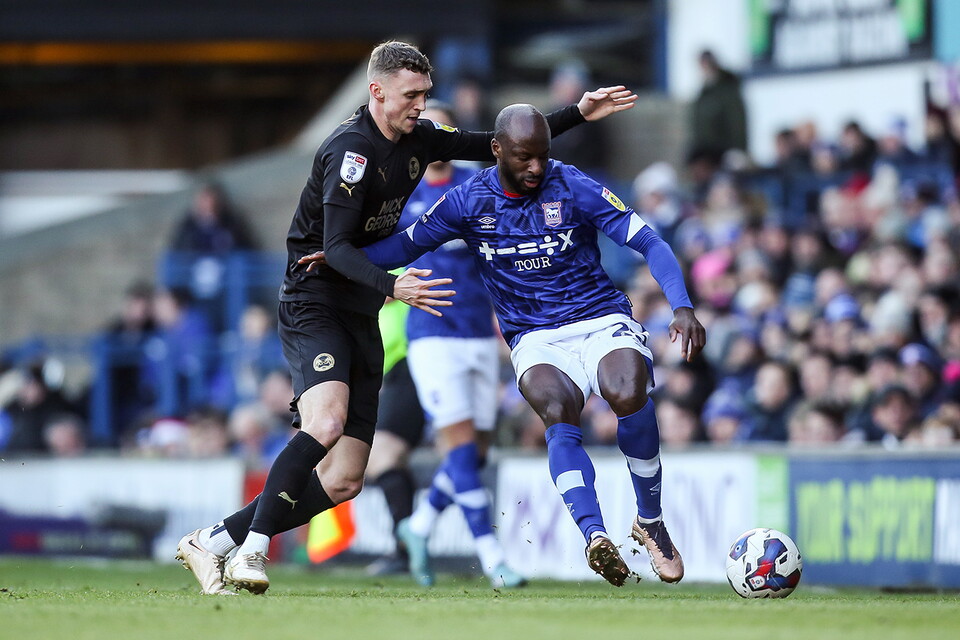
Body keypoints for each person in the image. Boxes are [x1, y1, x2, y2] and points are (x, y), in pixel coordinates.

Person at [175, 40, 637, 595]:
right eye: (411, 95)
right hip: (315, 300)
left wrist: (576, 113)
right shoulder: (350, 152)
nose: (421, 104)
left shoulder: (417, 138)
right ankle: (252, 552)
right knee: (324, 424)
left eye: (425, 94)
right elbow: (337, 249)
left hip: (361, 309)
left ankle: (215, 541)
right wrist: (395, 284)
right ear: (377, 92)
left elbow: (493, 145)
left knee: (345, 480)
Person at [319, 104, 706, 586]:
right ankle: (595, 536)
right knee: (556, 408)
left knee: (627, 389)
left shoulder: (573, 185)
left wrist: (683, 306)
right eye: (525, 158)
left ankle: (649, 520)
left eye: (543, 156)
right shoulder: (467, 200)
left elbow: (650, 242)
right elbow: (403, 247)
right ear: (496, 150)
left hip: (599, 317)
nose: (537, 168)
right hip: (533, 336)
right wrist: (337, 256)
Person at [365, 101, 524, 588]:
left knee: (474, 455)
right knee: (456, 448)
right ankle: (492, 554)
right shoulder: (396, 196)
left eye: (440, 126)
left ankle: (419, 527)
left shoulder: (476, 190)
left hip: (477, 331)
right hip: (430, 336)